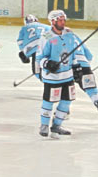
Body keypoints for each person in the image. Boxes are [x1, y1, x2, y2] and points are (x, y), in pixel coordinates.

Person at [36, 10, 80, 138]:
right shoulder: (47, 37)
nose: (63, 22)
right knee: (49, 101)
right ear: (53, 21)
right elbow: (40, 58)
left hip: (68, 75)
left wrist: (76, 67)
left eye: (63, 20)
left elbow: (73, 53)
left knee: (67, 101)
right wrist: (48, 64)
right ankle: (44, 125)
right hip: (53, 77)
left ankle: (57, 126)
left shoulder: (69, 33)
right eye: (60, 20)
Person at [72, 41, 98, 118]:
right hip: (85, 67)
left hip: (70, 68)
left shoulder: (57, 39)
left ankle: (64, 111)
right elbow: (89, 56)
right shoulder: (75, 37)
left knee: (65, 89)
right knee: (90, 88)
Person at [17, 14, 51, 83]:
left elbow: (20, 42)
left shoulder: (24, 28)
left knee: (37, 72)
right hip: (47, 48)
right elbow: (54, 35)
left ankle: (44, 80)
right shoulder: (46, 26)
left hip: (34, 50)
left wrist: (24, 53)